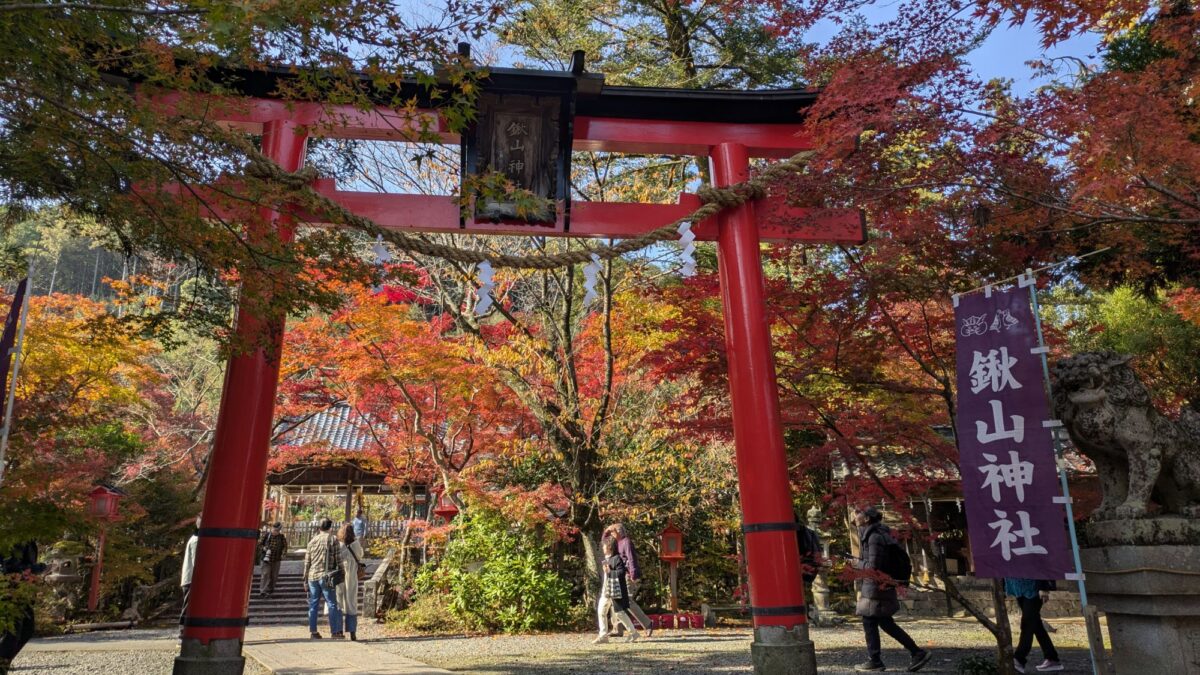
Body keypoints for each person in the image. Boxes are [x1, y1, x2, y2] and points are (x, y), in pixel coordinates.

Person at [853, 506, 931, 672]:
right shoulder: (877, 533)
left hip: (877, 587)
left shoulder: (874, 537)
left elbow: (873, 566)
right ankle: (911, 653)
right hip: (878, 586)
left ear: (867, 518)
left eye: (858, 512)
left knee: (875, 621)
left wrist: (856, 563)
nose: (855, 515)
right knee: (880, 621)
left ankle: (882, 659)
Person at [1, 541, 45, 673]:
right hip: (10, 588)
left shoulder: (30, 540)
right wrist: (35, 568)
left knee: (25, 629)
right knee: (12, 632)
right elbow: (9, 565)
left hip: (21, 589)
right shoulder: (17, 536)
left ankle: (3, 665)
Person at [602, 523, 653, 637]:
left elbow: (631, 558)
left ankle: (647, 623)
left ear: (618, 532)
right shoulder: (615, 543)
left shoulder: (626, 542)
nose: (611, 534)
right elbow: (604, 542)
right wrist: (606, 530)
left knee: (628, 601)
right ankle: (617, 628)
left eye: (613, 532)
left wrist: (633, 575)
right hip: (615, 574)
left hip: (626, 574)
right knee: (615, 599)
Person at [1005, 578, 1063, 673]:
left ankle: (1019, 658)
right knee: (1035, 624)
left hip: (1033, 586)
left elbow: (1042, 563)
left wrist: (1044, 587)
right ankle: (1052, 658)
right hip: (1018, 586)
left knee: (1027, 623)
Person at [592, 537, 639, 644]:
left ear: (609, 546)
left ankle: (633, 633)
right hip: (606, 591)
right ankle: (603, 635)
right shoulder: (607, 559)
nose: (602, 547)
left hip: (615, 591)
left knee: (619, 613)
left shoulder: (617, 558)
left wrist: (609, 571)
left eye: (604, 545)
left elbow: (621, 573)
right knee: (601, 612)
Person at [303, 518, 343, 639]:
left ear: (319, 528)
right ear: (330, 527)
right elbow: (338, 559)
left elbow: (307, 562)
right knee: (331, 603)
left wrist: (304, 578)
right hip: (326, 576)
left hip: (312, 576)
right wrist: (342, 572)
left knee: (313, 604)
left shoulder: (312, 541)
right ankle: (335, 631)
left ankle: (313, 631)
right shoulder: (333, 539)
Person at [336, 523, 365, 641]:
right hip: (352, 575)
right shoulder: (356, 544)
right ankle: (352, 632)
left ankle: (338, 630)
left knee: (339, 601)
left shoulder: (338, 544)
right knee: (351, 602)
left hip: (339, 574)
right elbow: (360, 555)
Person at [179, 516, 200, 636]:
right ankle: (182, 632)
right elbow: (196, 561)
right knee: (188, 606)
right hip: (191, 578)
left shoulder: (193, 539)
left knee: (188, 606)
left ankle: (186, 631)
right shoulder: (196, 540)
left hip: (189, 578)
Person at [258, 522, 287, 598]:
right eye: (274, 530)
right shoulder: (266, 535)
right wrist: (264, 548)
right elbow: (259, 544)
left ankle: (270, 589)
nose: (275, 532)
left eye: (277, 531)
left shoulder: (281, 537)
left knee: (274, 576)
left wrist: (283, 554)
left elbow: (285, 547)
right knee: (265, 574)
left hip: (276, 559)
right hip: (266, 559)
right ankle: (263, 591)